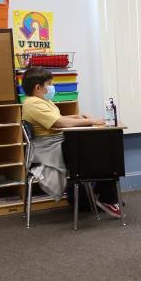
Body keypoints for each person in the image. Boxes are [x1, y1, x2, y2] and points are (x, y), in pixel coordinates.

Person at [20, 66, 123, 217]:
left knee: (100, 150)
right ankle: (106, 198)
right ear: (38, 87)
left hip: (56, 143)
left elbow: (58, 119)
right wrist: (91, 121)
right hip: (50, 148)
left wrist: (77, 117)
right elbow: (60, 123)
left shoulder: (41, 101)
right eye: (49, 84)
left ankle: (95, 199)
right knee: (103, 154)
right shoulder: (33, 103)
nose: (51, 88)